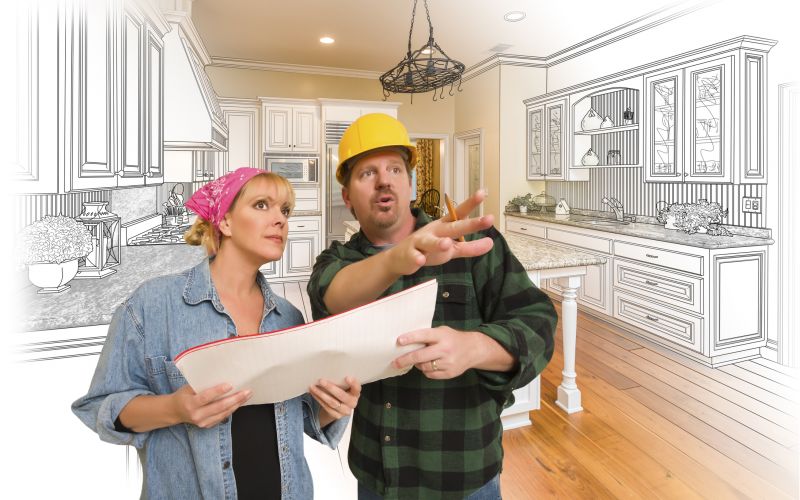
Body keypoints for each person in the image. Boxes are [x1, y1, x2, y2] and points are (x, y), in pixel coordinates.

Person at [307, 113, 558, 499]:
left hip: (464, 470)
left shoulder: (471, 247)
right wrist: (397, 259)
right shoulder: (338, 261)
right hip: (378, 475)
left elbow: (537, 321)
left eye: (394, 168)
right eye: (366, 173)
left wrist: (473, 346)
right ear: (347, 196)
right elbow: (332, 296)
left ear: (410, 184)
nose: (384, 180)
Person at [73, 168, 361, 500]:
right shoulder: (153, 305)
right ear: (224, 222)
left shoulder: (288, 317)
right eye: (262, 205)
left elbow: (304, 420)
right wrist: (175, 409)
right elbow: (99, 406)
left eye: (285, 210)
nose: (281, 220)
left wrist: (335, 407)